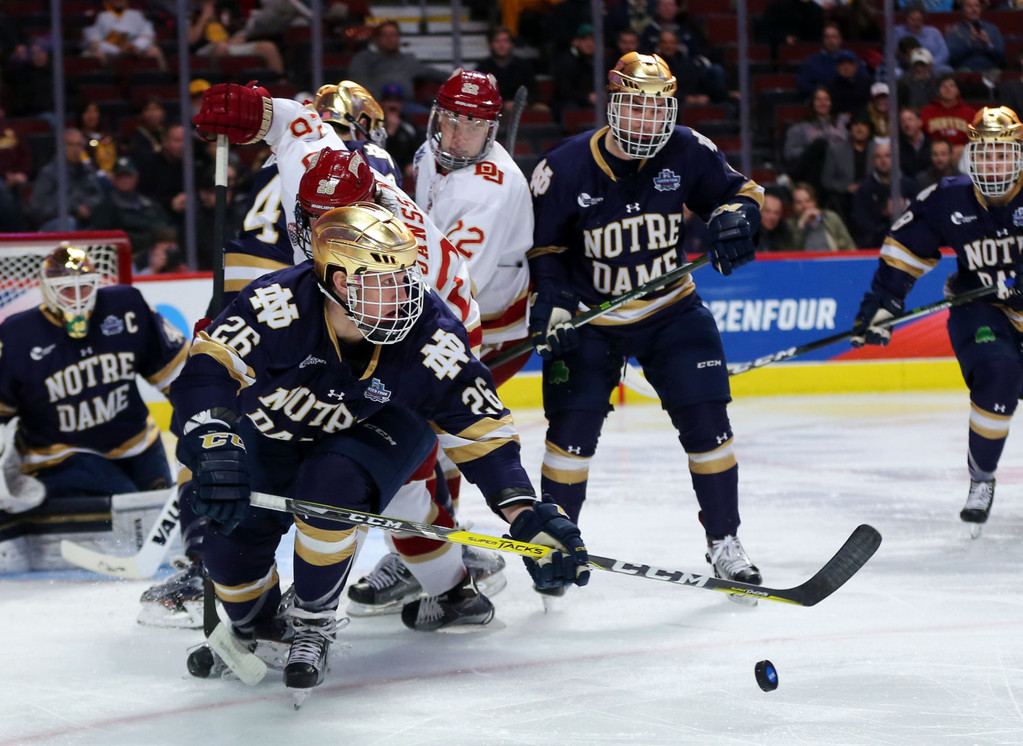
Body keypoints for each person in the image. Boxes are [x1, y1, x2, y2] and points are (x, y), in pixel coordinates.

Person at [167, 202, 590, 691]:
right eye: (383, 282)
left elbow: (479, 425)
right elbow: (206, 370)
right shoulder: (275, 304)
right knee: (229, 546)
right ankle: (256, 627)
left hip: (383, 426)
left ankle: (313, 621)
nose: (404, 294)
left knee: (329, 492)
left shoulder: (429, 331)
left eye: (404, 276)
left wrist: (524, 513)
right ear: (342, 282)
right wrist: (214, 440)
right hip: (278, 428)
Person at [526, 52, 763, 596]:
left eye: (657, 110)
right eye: (634, 108)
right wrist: (555, 299)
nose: (645, 122)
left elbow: (741, 194)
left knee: (710, 429)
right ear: (612, 106)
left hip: (670, 310)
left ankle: (725, 541)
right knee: (568, 441)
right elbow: (546, 247)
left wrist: (735, 220)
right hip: (591, 318)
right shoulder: (563, 167)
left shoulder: (689, 149)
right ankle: (558, 547)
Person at [850, 106, 1023, 534]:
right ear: (971, 157)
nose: (994, 164)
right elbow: (904, 248)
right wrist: (885, 302)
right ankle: (981, 480)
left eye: (1003, 155)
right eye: (985, 154)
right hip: (980, 310)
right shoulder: (949, 197)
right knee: (999, 373)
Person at [0, 244, 187, 501]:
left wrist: (198, 418)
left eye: (84, 286)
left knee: (160, 514)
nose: (77, 296)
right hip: (61, 455)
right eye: (66, 288)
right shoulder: (17, 334)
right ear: (47, 288)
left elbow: (176, 370)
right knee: (131, 511)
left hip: (137, 441)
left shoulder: (126, 306)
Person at [88, 156, 175, 271]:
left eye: (128, 175)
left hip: (157, 253)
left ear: (136, 177)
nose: (125, 180)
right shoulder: (106, 207)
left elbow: (165, 226)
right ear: (113, 178)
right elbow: (103, 239)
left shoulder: (149, 204)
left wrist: (164, 244)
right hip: (125, 259)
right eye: (121, 176)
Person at [346, 20, 448, 114]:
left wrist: (457, 77)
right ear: (377, 38)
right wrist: (379, 102)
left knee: (427, 117)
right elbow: (358, 82)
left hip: (406, 107)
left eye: (393, 35)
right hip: (375, 107)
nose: (389, 39)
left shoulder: (408, 61)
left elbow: (432, 73)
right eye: (385, 35)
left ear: (399, 38)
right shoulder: (364, 58)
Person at [27, 129, 105, 231]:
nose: (75, 149)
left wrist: (88, 206)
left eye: (79, 145)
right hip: (55, 223)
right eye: (70, 144)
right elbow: (39, 205)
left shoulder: (89, 172)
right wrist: (74, 208)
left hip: (85, 221)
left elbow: (99, 196)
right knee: (68, 222)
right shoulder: (49, 172)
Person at [849, 139, 918, 249]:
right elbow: (861, 223)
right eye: (878, 157)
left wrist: (906, 206)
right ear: (873, 160)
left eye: (887, 156)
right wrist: (883, 213)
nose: (883, 160)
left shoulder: (909, 185)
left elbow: (922, 213)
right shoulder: (865, 189)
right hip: (877, 246)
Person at [82, 0, 167, 71]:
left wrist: (135, 47)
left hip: (135, 48)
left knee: (155, 51)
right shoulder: (98, 15)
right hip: (109, 50)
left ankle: (161, 82)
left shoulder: (137, 14)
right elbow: (94, 41)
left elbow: (148, 35)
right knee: (97, 55)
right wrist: (118, 50)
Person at [474, 25, 539, 113]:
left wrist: (523, 103)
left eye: (505, 41)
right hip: (493, 112)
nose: (502, 45)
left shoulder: (523, 66)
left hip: (523, 110)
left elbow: (534, 92)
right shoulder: (482, 69)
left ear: (511, 44)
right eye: (497, 41)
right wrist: (503, 104)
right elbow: (479, 97)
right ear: (490, 44)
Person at [920, 73, 976, 162]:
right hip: (933, 157)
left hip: (962, 157)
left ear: (958, 90)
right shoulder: (926, 111)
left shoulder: (970, 113)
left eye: (951, 86)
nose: (948, 89)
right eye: (943, 86)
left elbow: (975, 139)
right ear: (938, 91)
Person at [787, 181, 857, 250]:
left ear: (814, 202)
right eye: (799, 203)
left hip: (832, 259)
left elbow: (850, 246)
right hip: (805, 261)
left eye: (808, 201)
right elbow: (791, 252)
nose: (804, 206)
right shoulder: (789, 225)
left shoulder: (830, 218)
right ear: (793, 206)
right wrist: (801, 225)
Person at [944, 0, 1005, 74]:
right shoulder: (954, 30)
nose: (974, 9)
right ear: (963, 10)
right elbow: (951, 58)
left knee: (997, 74)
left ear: (981, 9)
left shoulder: (992, 28)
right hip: (964, 69)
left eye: (977, 6)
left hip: (990, 69)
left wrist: (988, 44)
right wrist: (969, 43)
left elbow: (1002, 56)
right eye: (969, 6)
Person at [895, 2, 951, 74]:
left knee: (946, 70)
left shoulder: (934, 32)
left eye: (919, 20)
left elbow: (944, 53)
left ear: (923, 19)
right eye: (913, 19)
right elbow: (893, 54)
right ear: (906, 18)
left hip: (932, 67)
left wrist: (929, 64)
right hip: (907, 68)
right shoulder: (897, 32)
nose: (916, 23)